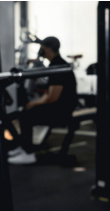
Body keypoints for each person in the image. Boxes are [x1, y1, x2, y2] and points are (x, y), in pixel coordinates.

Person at [8, 36, 77, 165]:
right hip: (61, 106)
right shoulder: (56, 63)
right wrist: (35, 103)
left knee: (26, 116)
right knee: (23, 113)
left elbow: (52, 97)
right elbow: (50, 93)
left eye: (42, 48)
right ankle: (23, 147)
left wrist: (34, 103)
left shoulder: (57, 66)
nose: (41, 50)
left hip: (62, 111)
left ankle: (28, 154)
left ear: (47, 49)